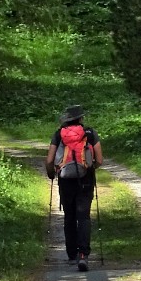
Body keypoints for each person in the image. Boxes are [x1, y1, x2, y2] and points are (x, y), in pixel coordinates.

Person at [46, 104, 103, 271]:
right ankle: (83, 255)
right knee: (83, 217)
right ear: (81, 118)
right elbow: (99, 159)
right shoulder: (90, 134)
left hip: (65, 181)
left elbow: (49, 160)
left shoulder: (59, 135)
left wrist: (51, 174)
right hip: (85, 180)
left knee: (69, 216)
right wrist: (90, 168)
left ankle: (71, 255)